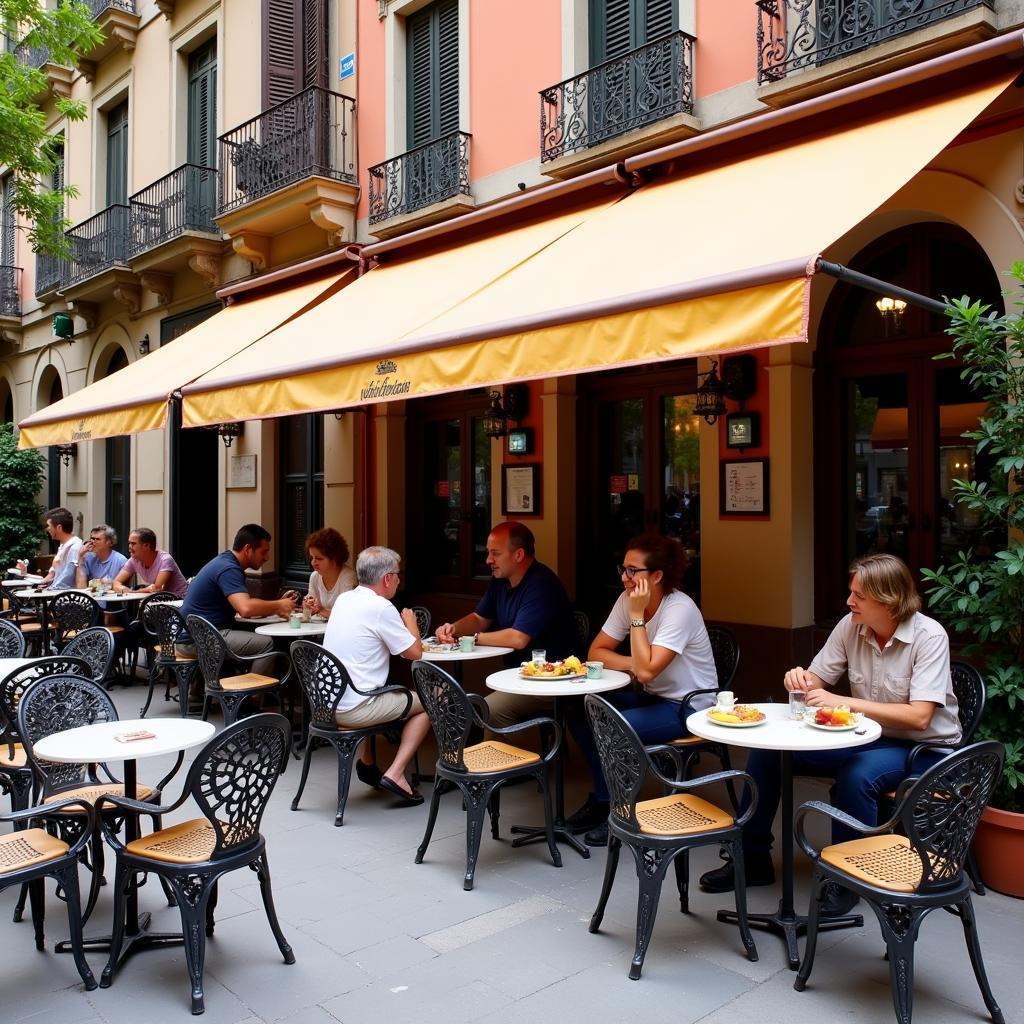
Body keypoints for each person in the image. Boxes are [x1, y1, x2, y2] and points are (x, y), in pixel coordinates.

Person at [699, 552, 962, 917]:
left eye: (858, 596)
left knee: (859, 772)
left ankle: (846, 880)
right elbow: (816, 680)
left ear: (888, 601)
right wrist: (800, 678)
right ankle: (752, 858)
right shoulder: (850, 626)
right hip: (870, 735)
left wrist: (844, 703)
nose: (848, 601)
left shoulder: (928, 636)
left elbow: (919, 718)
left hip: (925, 748)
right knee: (770, 753)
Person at [566, 533, 718, 847]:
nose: (625, 577)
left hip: (690, 707)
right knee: (581, 709)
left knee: (611, 727)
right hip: (655, 696)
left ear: (658, 575)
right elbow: (596, 651)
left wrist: (637, 621)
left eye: (633, 571)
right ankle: (605, 798)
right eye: (623, 569)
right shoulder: (628, 599)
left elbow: (648, 669)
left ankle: (618, 811)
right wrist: (633, 663)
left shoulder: (680, 609)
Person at [435, 521, 577, 728]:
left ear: (518, 555)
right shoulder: (500, 580)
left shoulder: (542, 584)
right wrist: (453, 629)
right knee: (472, 706)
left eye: (495, 553)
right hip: (518, 676)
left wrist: (471, 639)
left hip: (553, 680)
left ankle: (511, 760)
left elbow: (518, 638)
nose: (488, 560)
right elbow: (479, 618)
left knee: (491, 708)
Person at [323, 546, 430, 805]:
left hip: (326, 703)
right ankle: (396, 773)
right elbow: (414, 652)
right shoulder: (381, 607)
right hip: (354, 708)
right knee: (431, 702)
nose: (399, 579)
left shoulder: (345, 599)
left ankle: (367, 762)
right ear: (386, 579)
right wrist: (411, 624)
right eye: (397, 574)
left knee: (374, 687)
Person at [177, 524, 298, 667]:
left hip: (194, 636)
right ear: (247, 549)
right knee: (266, 644)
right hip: (198, 641)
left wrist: (277, 606)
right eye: (263, 552)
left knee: (253, 637)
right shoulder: (229, 568)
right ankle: (255, 689)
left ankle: (225, 683)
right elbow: (246, 608)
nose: (267, 557)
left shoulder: (225, 562)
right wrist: (279, 605)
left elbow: (245, 609)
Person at [17, 507, 82, 590]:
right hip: (56, 594)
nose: (47, 529)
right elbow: (52, 575)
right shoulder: (63, 546)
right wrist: (25, 575)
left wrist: (49, 589)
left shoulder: (75, 547)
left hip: (65, 598)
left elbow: (68, 576)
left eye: (49, 526)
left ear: (59, 527)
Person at [112, 527, 188, 597]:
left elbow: (158, 588)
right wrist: (123, 589)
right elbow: (116, 582)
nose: (129, 546)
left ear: (146, 546)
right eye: (129, 543)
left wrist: (132, 592)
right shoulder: (134, 560)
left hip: (179, 600)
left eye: (133, 543)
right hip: (160, 601)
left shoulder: (165, 560)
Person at [301, 527, 357, 620]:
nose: (313, 562)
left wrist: (321, 610)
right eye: (312, 558)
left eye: (319, 558)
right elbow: (310, 609)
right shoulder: (315, 576)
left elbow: (347, 615)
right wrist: (307, 605)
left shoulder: (348, 577)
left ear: (334, 558)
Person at [74, 524, 128, 591]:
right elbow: (81, 587)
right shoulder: (88, 558)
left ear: (109, 542)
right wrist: (80, 557)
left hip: (111, 600)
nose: (93, 542)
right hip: (92, 600)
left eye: (97, 539)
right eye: (92, 538)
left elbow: (119, 587)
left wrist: (96, 584)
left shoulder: (121, 561)